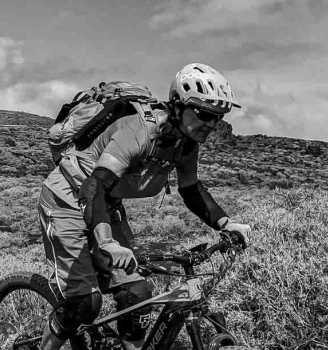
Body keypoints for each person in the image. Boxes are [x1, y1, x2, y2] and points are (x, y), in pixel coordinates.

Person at [36, 63, 253, 350]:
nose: (211, 124)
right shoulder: (137, 131)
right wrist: (107, 243)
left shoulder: (185, 143)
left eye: (217, 117)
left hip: (105, 204)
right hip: (67, 199)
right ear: (178, 106)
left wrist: (226, 224)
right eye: (204, 114)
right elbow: (94, 187)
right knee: (85, 304)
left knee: (136, 294)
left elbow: (191, 189)